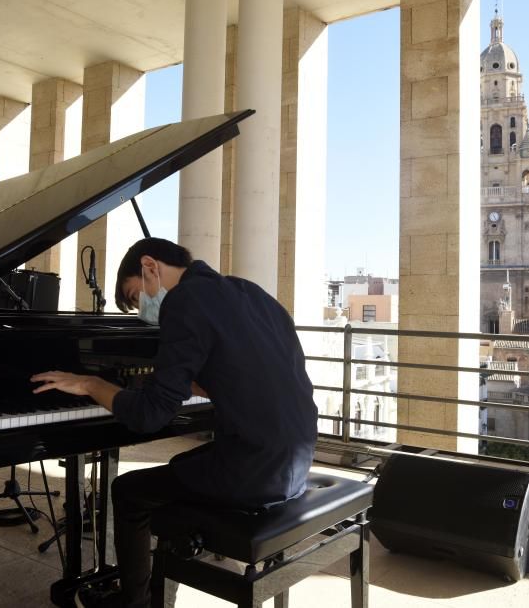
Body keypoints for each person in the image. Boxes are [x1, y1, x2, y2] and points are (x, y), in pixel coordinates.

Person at [30, 238, 319, 608]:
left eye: (137, 297)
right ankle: (166, 572)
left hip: (258, 470)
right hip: (296, 459)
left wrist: (90, 383)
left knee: (128, 490)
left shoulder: (185, 300)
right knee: (180, 467)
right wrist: (201, 383)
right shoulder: (249, 292)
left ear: (150, 266)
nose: (143, 310)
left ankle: (133, 602)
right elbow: (259, 373)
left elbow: (150, 415)